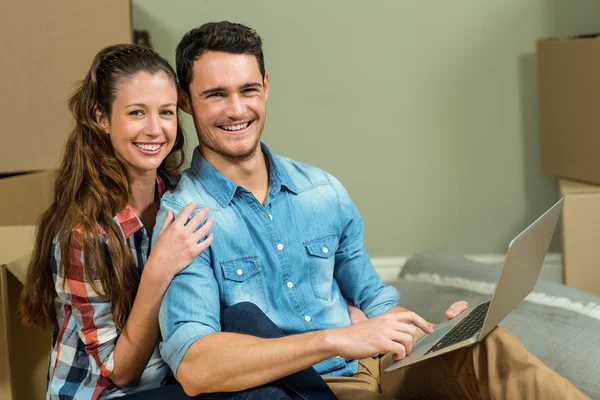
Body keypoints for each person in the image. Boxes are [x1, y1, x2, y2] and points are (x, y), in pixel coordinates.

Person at [154, 21, 590, 400]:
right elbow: (194, 367)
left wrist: (431, 332)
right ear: (186, 101)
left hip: (381, 364)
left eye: (248, 89)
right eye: (215, 95)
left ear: (266, 86)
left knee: (493, 348)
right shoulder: (185, 219)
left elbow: (375, 300)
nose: (236, 110)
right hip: (313, 388)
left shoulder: (322, 191)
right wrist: (338, 340)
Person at [19, 43, 338, 400]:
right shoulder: (84, 234)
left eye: (166, 113)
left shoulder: (179, 197)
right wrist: (158, 268)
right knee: (263, 394)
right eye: (137, 113)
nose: (155, 130)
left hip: (175, 379)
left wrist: (336, 312)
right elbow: (121, 373)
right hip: (108, 394)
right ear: (101, 117)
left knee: (243, 317)